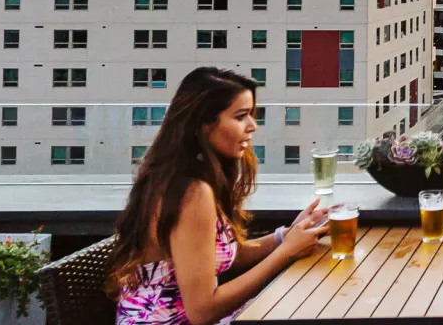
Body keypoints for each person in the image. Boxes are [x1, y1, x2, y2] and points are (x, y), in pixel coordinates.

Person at [108, 67, 332, 325]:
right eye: (241, 116)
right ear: (203, 124)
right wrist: (286, 254)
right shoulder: (191, 192)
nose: (252, 126)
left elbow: (219, 258)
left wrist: (286, 236)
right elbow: (202, 311)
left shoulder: (187, 178)